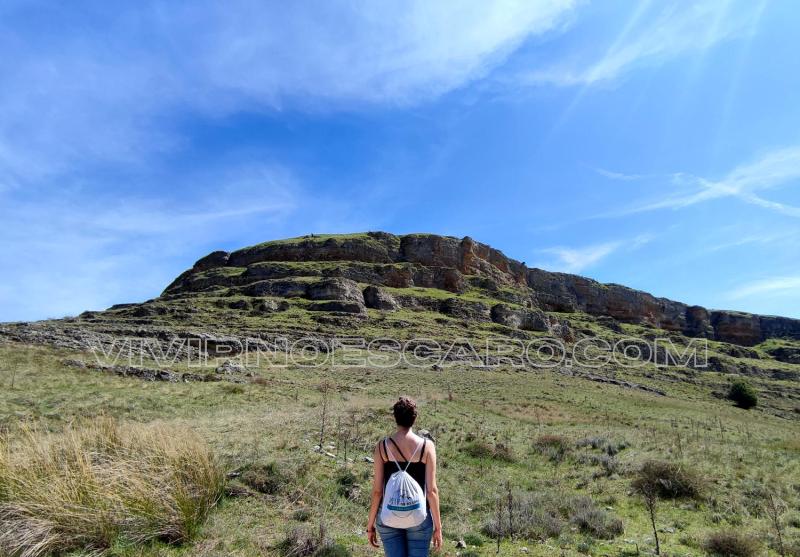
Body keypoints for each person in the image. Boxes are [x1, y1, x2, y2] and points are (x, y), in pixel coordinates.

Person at [367, 397, 442, 556]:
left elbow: (377, 491)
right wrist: (438, 527)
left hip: (388, 514)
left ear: (395, 417)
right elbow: (431, 491)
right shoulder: (427, 447)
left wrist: (370, 524)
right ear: (415, 418)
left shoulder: (382, 447)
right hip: (419, 516)